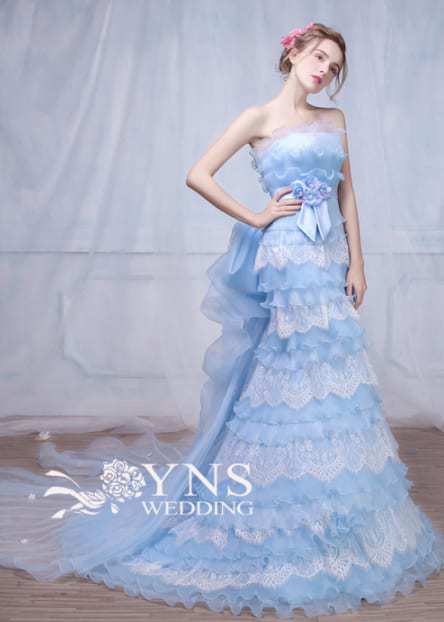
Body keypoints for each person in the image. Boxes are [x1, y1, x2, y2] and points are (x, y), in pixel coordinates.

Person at [1, 20, 444, 619]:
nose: (325, 70)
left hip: (327, 254)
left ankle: (336, 512)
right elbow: (198, 174)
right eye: (319, 56)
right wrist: (257, 217)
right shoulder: (256, 117)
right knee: (289, 373)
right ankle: (278, 508)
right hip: (285, 254)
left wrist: (358, 263)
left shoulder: (335, 120)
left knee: (335, 373)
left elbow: (347, 192)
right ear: (293, 53)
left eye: (335, 66)